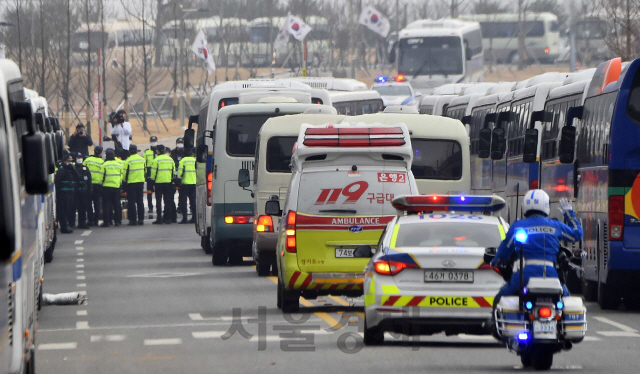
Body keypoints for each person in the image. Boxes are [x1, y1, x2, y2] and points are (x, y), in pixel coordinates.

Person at [491, 190, 583, 304]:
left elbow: (504, 250)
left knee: (500, 298)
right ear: (546, 206)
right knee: (566, 299)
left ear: (524, 206)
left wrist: (495, 262)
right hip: (550, 274)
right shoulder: (555, 225)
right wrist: (569, 214)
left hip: (524, 275)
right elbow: (577, 234)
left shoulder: (518, 226)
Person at [151, 145, 176, 224]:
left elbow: (153, 173)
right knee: (168, 201)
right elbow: (173, 172)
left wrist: (152, 182)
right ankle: (168, 219)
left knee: (158, 201)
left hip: (158, 183)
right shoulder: (170, 160)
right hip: (168, 182)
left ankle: (159, 219)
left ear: (157, 151)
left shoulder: (156, 160)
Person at [54, 154, 80, 233]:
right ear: (64, 161)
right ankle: (64, 227)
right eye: (68, 161)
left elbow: (78, 177)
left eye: (71, 161)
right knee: (63, 211)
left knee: (68, 210)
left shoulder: (71, 169)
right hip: (63, 193)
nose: (70, 163)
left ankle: (67, 225)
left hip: (70, 192)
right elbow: (57, 182)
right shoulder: (61, 170)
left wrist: (73, 170)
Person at [123, 144, 146, 225]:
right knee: (140, 201)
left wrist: (124, 182)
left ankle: (133, 220)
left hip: (131, 183)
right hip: (140, 182)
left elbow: (124, 173)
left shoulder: (128, 161)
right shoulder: (142, 159)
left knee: (131, 202)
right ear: (137, 151)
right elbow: (145, 171)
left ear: (129, 151)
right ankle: (141, 219)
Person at [101, 149, 123, 227]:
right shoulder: (119, 165)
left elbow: (101, 177)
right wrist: (119, 185)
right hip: (116, 187)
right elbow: (121, 176)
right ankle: (118, 221)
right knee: (117, 204)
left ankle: (107, 222)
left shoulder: (104, 165)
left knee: (106, 205)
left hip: (106, 187)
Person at [83, 146, 105, 226]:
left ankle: (90, 219)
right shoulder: (102, 162)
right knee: (97, 203)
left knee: (88, 203)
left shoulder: (88, 160)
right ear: (100, 153)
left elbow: (82, 169)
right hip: (98, 185)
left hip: (88, 184)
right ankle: (96, 220)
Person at [72, 152, 92, 229]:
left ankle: (82, 223)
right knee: (73, 208)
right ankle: (72, 223)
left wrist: (90, 190)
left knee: (83, 208)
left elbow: (89, 180)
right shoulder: (73, 168)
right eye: (78, 158)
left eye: (80, 158)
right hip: (75, 191)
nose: (79, 159)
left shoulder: (85, 168)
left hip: (84, 192)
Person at [177, 148, 197, 224]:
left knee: (183, 202)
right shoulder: (195, 160)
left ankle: (185, 218)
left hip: (185, 184)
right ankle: (194, 217)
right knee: (193, 201)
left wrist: (178, 181)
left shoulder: (183, 161)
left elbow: (179, 173)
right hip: (194, 183)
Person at [144, 136, 158, 213]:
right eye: (152, 141)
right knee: (149, 192)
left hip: (157, 175)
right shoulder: (147, 152)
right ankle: (150, 207)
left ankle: (158, 206)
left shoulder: (159, 151)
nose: (153, 143)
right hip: (149, 174)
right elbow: (144, 163)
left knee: (158, 193)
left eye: (154, 141)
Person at [172, 138, 186, 217]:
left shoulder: (184, 152)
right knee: (172, 192)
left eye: (181, 142)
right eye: (179, 142)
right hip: (174, 174)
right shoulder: (173, 152)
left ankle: (180, 207)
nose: (180, 144)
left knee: (182, 193)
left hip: (182, 175)